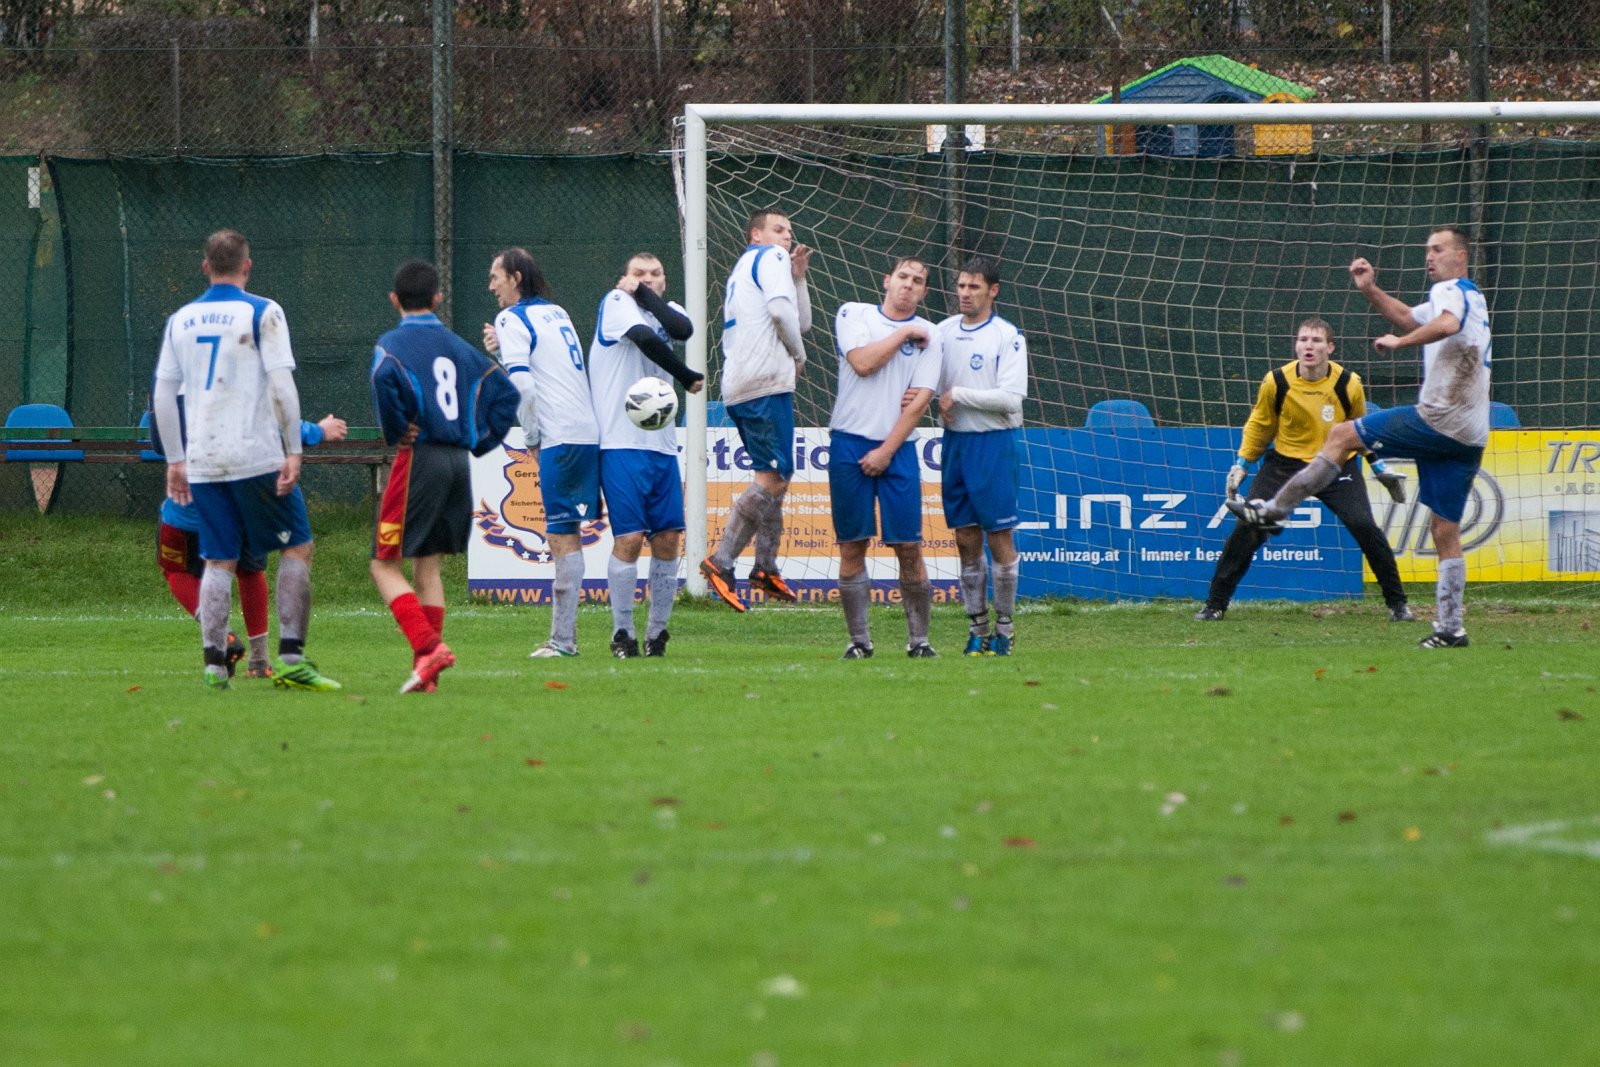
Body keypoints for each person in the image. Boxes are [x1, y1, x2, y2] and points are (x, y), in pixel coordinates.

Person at [1228, 227, 1491, 648]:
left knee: (1342, 434)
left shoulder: (1450, 290)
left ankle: (1275, 511)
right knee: (1445, 529)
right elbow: (1410, 316)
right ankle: (1451, 627)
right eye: (1426, 249)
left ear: (1461, 257)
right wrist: (1370, 290)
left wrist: (1400, 343)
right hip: (1470, 435)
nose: (1429, 256)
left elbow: (1445, 324)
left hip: (1440, 418)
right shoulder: (1470, 296)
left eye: (1438, 249)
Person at [151, 228, 339, 690]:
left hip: (203, 461)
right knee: (297, 545)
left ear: (205, 267)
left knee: (219, 559)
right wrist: (294, 448)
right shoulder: (263, 311)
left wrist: (176, 460)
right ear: (247, 266)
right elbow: (282, 386)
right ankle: (290, 658)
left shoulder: (180, 320)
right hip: (256, 456)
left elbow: (162, 395)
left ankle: (215, 667)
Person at [1197, 318, 1411, 623]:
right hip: (1285, 464)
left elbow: (1359, 428)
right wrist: (1242, 463)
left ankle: (1398, 605)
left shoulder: (1348, 383)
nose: (1309, 346)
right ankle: (1215, 605)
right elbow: (1260, 425)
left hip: (1336, 464)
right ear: (1296, 346)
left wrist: (1377, 465)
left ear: (1330, 348)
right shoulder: (1276, 381)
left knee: (1363, 525)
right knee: (1249, 527)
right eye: (1303, 340)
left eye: (1316, 340)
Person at [372, 258, 519, 693]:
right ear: (437, 298)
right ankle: (427, 673)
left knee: (383, 564)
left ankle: (428, 646)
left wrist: (397, 430)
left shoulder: (390, 345)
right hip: (457, 461)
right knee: (428, 566)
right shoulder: (459, 347)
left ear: (394, 300)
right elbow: (506, 393)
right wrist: (480, 440)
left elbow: (383, 379)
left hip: (419, 458)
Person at [156, 412, 348, 678]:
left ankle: (223, 642)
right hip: (246, 498)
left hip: (192, 502)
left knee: (179, 570)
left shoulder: (180, 391)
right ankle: (261, 660)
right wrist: (317, 431)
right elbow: (271, 421)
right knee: (250, 569)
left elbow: (159, 436)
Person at [484, 247, 600, 658]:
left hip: (559, 435)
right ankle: (567, 637)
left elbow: (524, 387)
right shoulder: (557, 312)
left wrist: (532, 438)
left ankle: (563, 641)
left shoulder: (510, 318)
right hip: (585, 431)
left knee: (560, 534)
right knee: (567, 530)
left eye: (495, 277)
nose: (491, 286)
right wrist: (501, 352)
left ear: (515, 278)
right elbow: (549, 370)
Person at [587, 252, 702, 658]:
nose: (647, 279)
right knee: (631, 538)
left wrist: (647, 294)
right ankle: (623, 632)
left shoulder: (669, 309)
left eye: (655, 274)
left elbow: (683, 329)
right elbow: (646, 340)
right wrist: (685, 377)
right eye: (638, 273)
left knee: (668, 539)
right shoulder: (616, 302)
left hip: (662, 447)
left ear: (664, 281)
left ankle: (657, 634)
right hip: (621, 443)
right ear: (624, 279)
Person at [699, 208, 813, 612]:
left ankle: (765, 566)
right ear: (756, 235)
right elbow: (784, 317)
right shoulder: (770, 256)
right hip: (763, 381)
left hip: (744, 381)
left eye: (789, 231)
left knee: (776, 474)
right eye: (778, 229)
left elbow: (801, 321)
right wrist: (799, 357)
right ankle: (721, 560)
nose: (787, 236)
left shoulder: (750, 266)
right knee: (773, 477)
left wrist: (799, 279)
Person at [830, 255, 944, 659]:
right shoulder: (854, 314)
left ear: (924, 292)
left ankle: (920, 642)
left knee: (909, 546)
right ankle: (859, 642)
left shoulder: (932, 335)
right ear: (886, 280)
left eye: (918, 281)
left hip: (898, 449)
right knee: (852, 546)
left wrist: (885, 451)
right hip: (848, 443)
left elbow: (920, 402)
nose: (908, 284)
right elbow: (863, 363)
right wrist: (904, 333)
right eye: (903, 276)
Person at [935, 256, 1029, 657]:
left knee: (999, 536)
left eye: (974, 287)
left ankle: (1005, 629)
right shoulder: (941, 332)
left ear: (993, 291)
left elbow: (1010, 399)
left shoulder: (1007, 336)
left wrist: (958, 395)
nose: (965, 293)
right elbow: (928, 385)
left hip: (994, 444)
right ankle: (977, 628)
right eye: (961, 286)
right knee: (965, 539)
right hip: (956, 444)